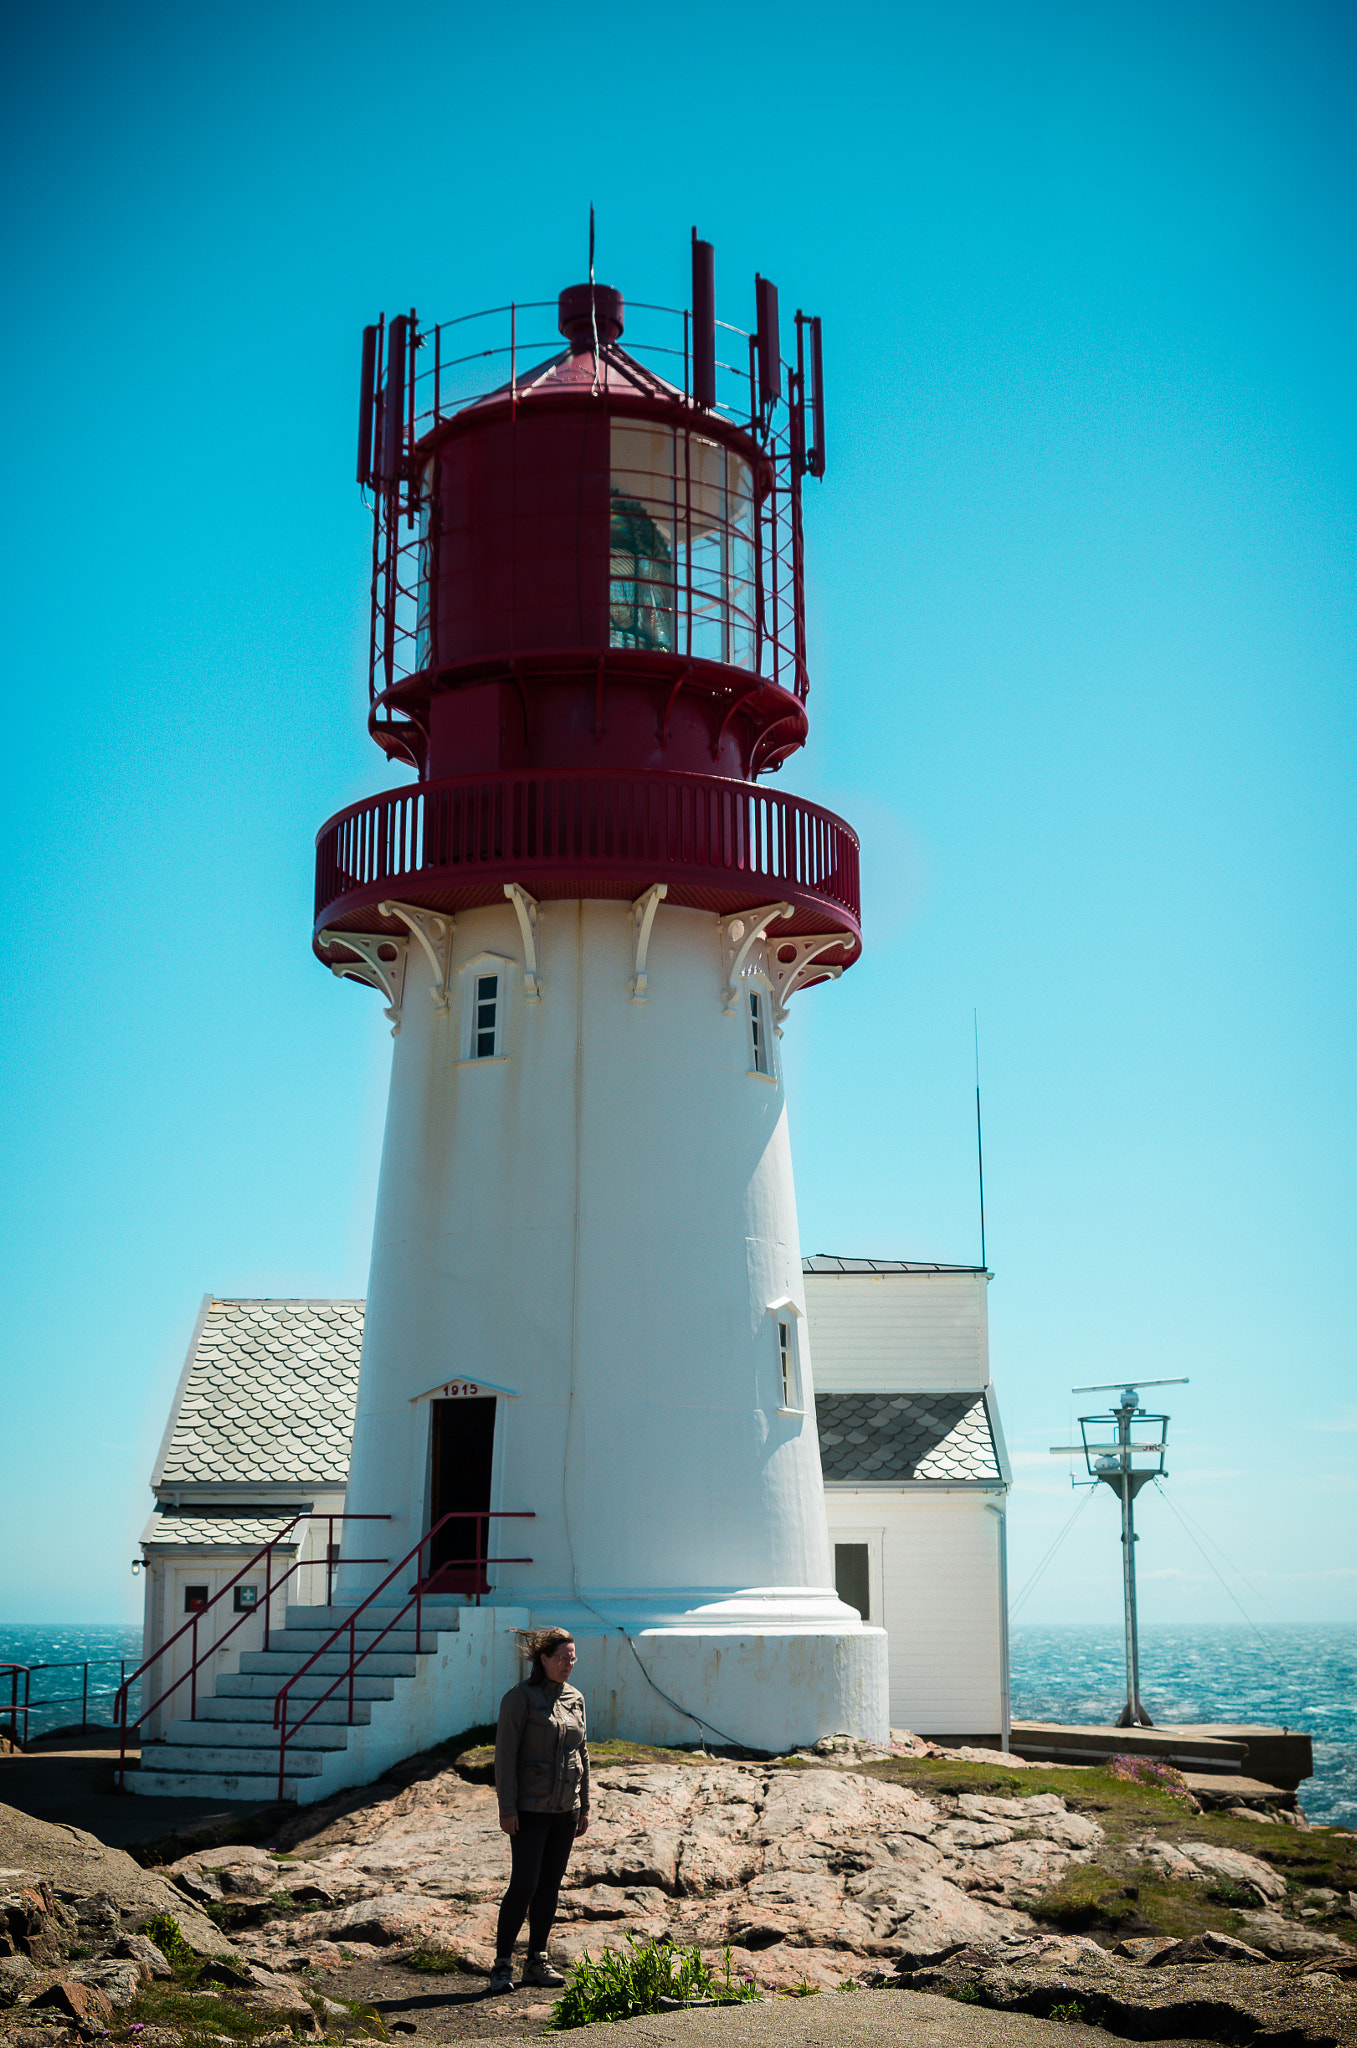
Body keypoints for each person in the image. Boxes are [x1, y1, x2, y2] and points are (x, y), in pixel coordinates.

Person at [488, 1627, 589, 1994]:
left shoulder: (575, 1698)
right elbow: (505, 1756)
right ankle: (502, 1965)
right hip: (529, 1809)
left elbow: (583, 1754)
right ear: (542, 1659)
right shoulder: (519, 1698)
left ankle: (537, 1960)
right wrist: (507, 1808)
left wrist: (585, 1806)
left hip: (566, 1810)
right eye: (562, 1657)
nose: (568, 1664)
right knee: (525, 1883)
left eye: (572, 1657)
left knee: (549, 1886)